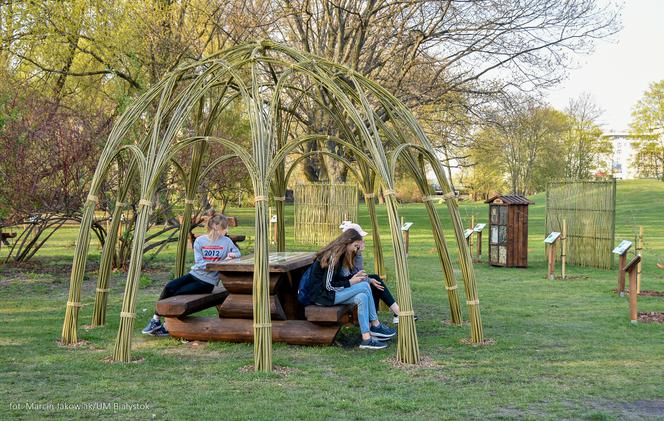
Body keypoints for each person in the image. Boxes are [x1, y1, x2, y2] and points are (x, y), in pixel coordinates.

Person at [142, 212, 240, 336]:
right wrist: (219, 263)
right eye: (225, 228)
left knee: (178, 293)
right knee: (170, 286)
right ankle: (155, 320)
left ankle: (167, 326)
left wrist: (232, 255)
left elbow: (237, 253)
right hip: (194, 275)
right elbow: (199, 263)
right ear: (218, 229)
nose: (227, 230)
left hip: (207, 283)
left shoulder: (226, 241)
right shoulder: (200, 241)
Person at [308, 229, 396, 350]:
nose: (356, 250)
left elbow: (338, 279)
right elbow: (328, 286)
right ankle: (375, 324)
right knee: (364, 287)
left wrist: (361, 278)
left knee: (362, 296)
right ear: (347, 242)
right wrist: (351, 282)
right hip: (323, 297)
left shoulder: (340, 255)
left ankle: (366, 339)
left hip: (331, 294)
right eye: (355, 246)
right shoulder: (333, 256)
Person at [339, 222, 417, 325]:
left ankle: (383, 318)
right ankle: (393, 314)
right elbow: (348, 276)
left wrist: (358, 254)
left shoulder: (353, 253)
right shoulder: (343, 254)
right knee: (372, 282)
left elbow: (358, 272)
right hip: (342, 288)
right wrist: (368, 279)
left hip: (348, 284)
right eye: (361, 238)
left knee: (373, 281)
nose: (363, 241)